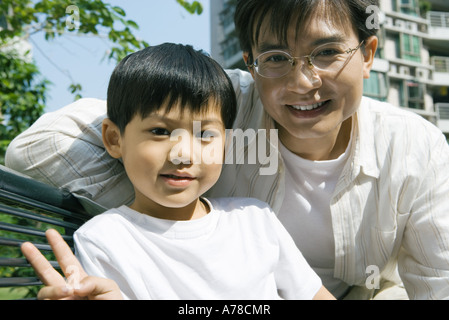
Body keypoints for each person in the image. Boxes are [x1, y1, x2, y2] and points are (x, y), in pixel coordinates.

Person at [8, 0, 449, 299]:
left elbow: (438, 281)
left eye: (327, 52)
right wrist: (164, 215)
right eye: (275, 58)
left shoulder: (415, 148)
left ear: (368, 52)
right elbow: (39, 147)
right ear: (250, 63)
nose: (302, 83)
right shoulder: (216, 106)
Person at [21, 43, 334, 300]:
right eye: (159, 131)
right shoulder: (105, 240)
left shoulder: (255, 220)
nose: (183, 154)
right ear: (115, 140)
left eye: (204, 134)